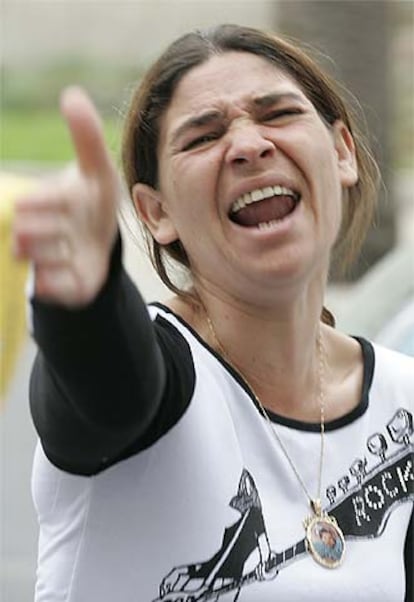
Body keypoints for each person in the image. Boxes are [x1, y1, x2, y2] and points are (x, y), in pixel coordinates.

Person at [12, 24, 413, 602]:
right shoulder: (165, 377)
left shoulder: (402, 402)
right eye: (202, 137)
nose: (250, 145)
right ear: (155, 213)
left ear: (343, 153)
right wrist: (88, 297)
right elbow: (106, 384)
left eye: (276, 113)